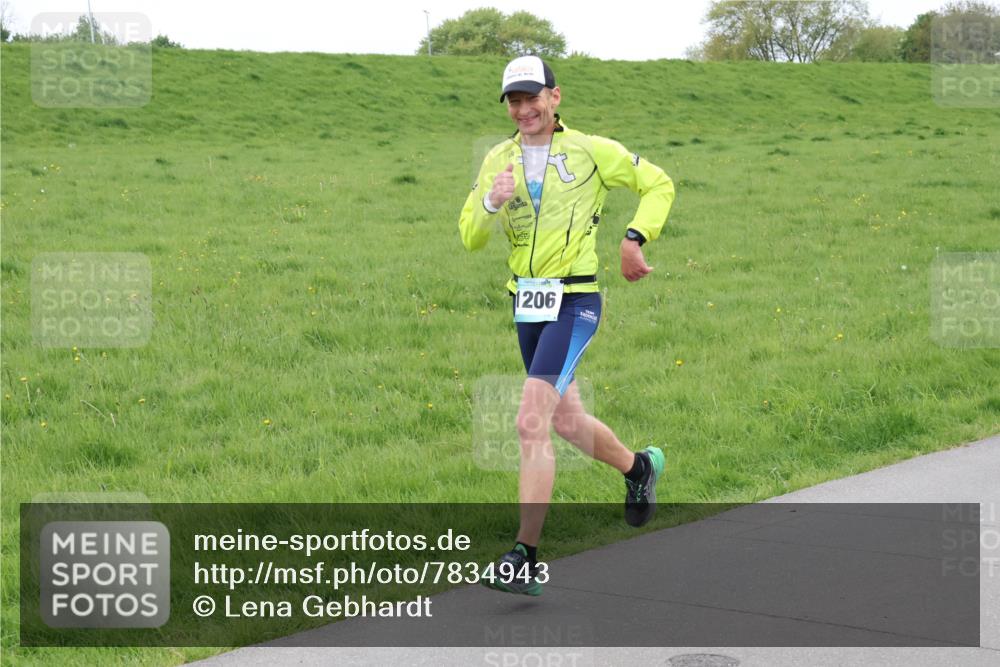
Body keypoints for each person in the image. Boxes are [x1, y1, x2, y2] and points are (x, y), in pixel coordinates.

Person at [459, 55, 676, 596]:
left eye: (533, 97)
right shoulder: (498, 160)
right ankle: (638, 469)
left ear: (555, 98)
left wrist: (634, 238)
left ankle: (524, 557)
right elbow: (469, 236)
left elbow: (659, 184)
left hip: (575, 300)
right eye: (514, 100)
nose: (524, 108)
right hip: (525, 304)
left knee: (530, 421)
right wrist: (491, 200)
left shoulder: (591, 151)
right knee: (567, 421)